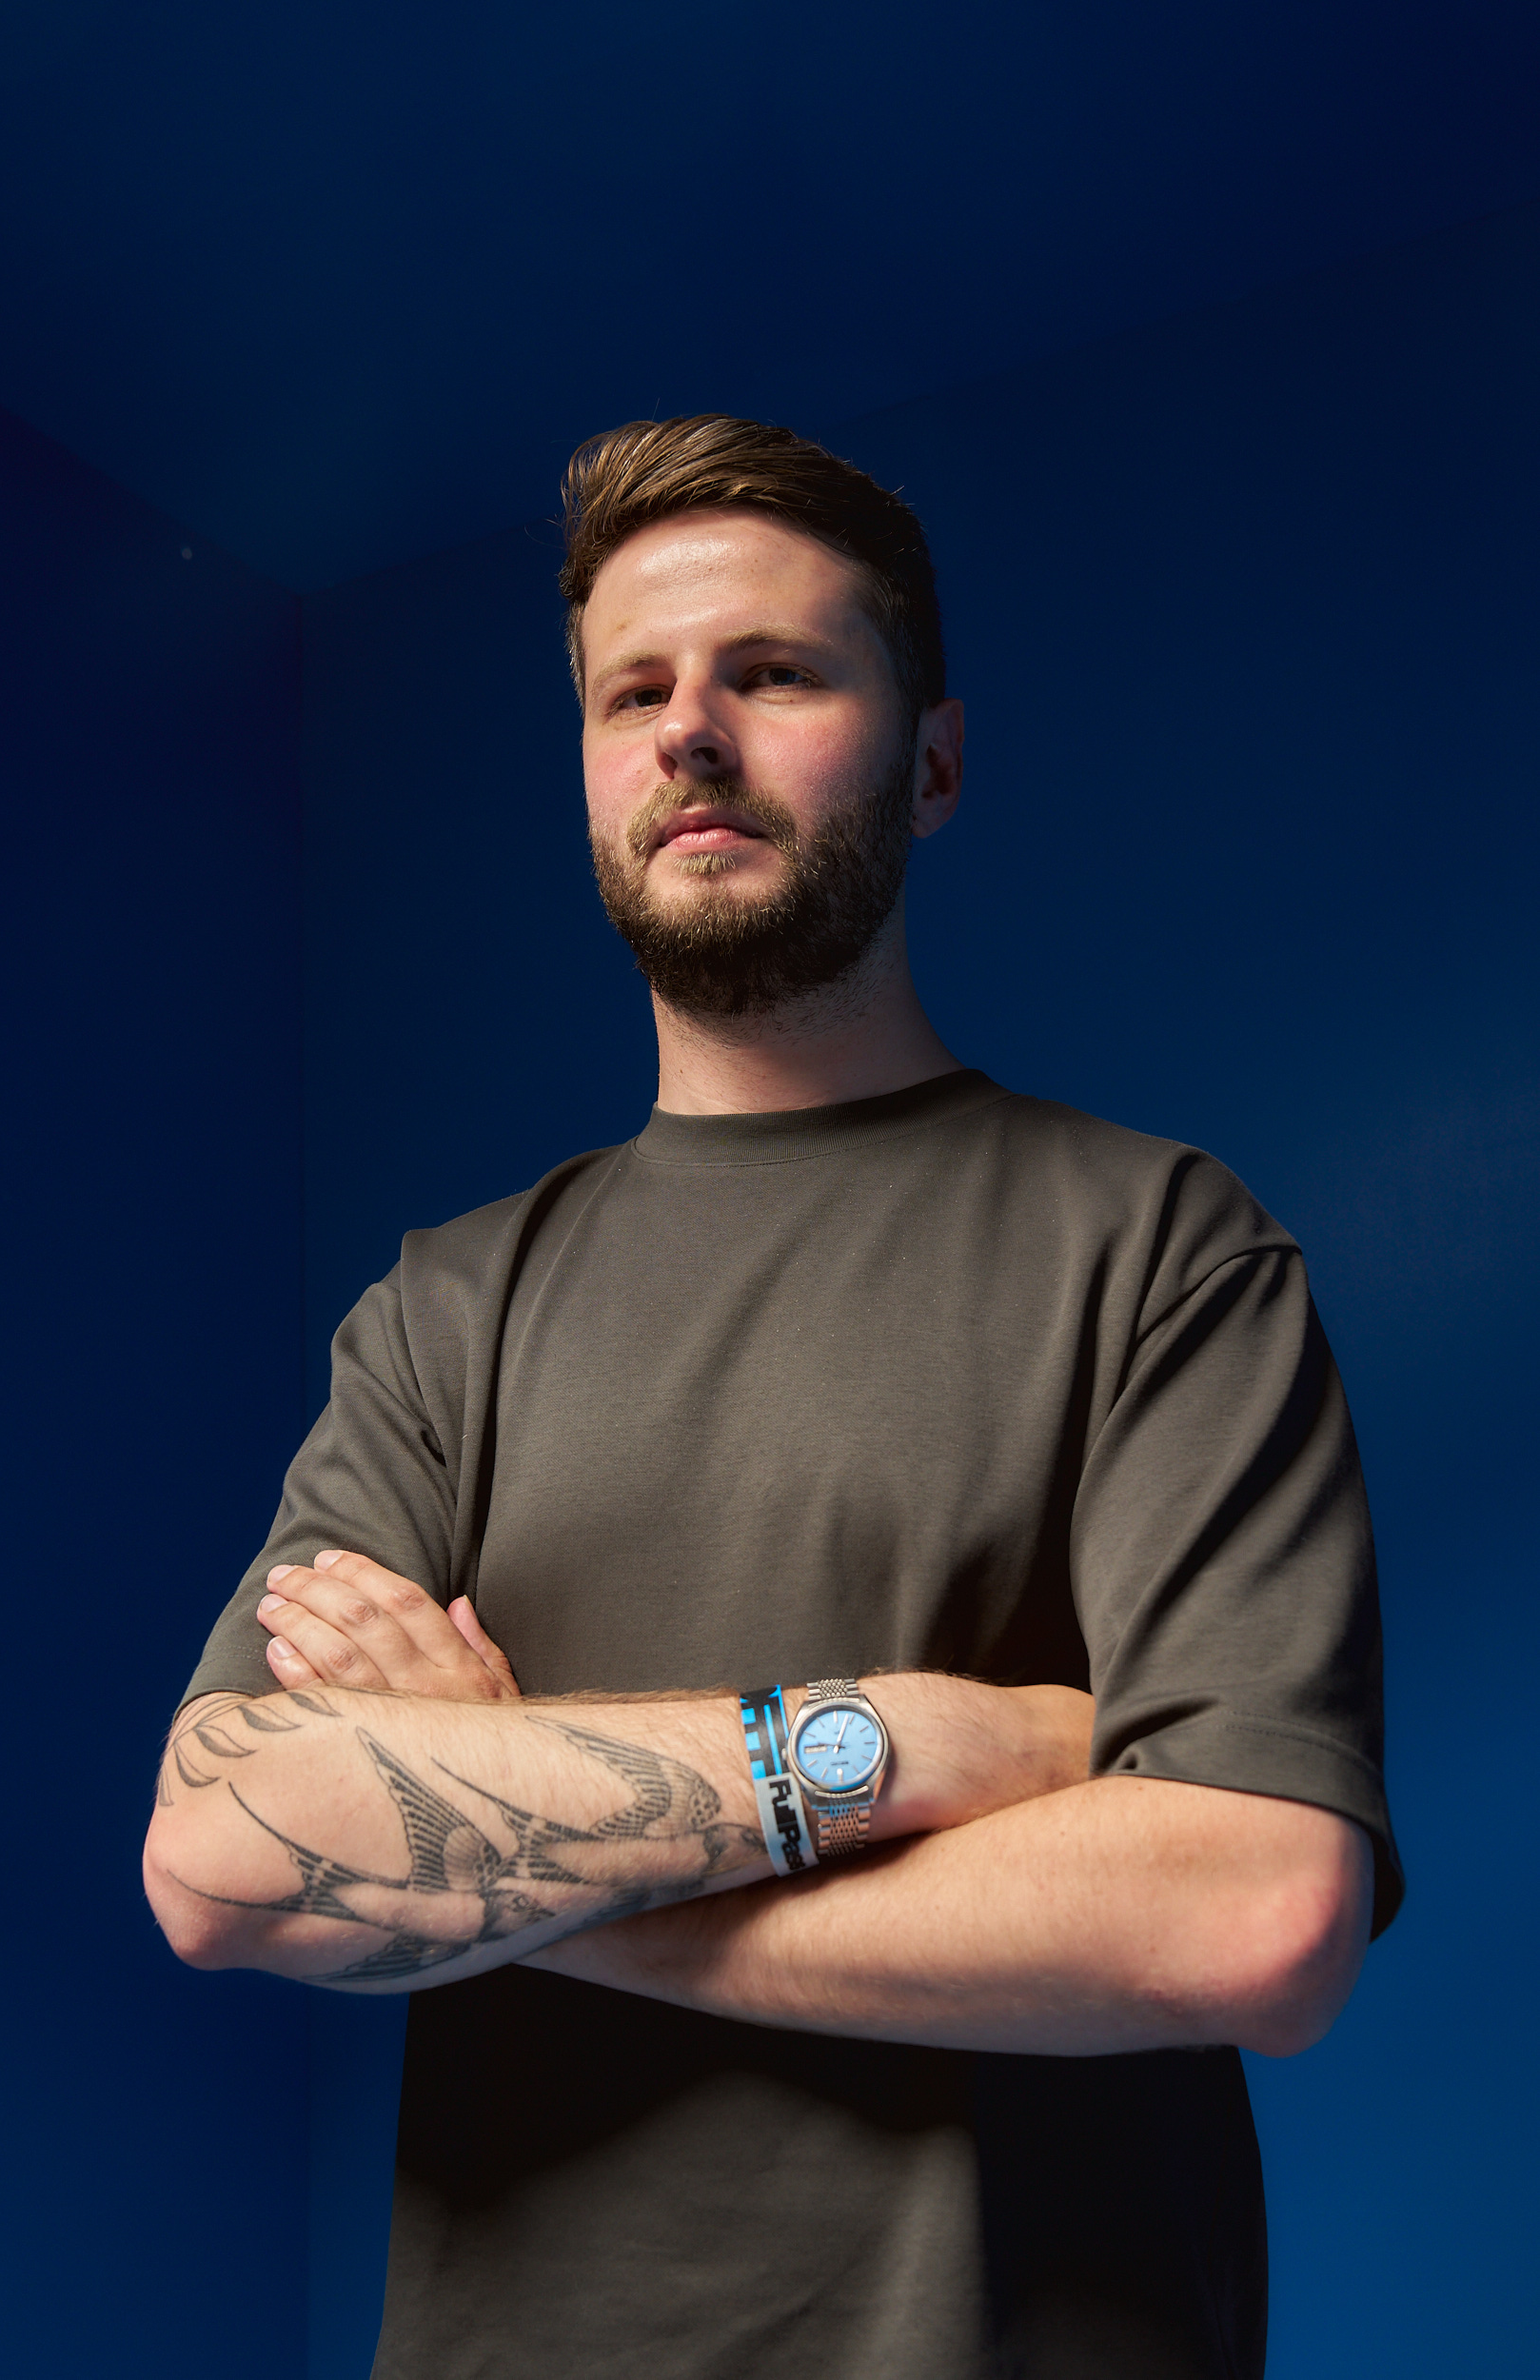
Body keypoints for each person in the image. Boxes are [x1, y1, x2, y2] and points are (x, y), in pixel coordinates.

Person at [145, 414, 1401, 2380]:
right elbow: (224, 1853)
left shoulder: (1160, 1246)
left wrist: (503, 1841)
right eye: (631, 691)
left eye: (776, 673)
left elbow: (1250, 1906)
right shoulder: (447, 1312)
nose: (690, 735)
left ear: (936, 761)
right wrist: (900, 1741)